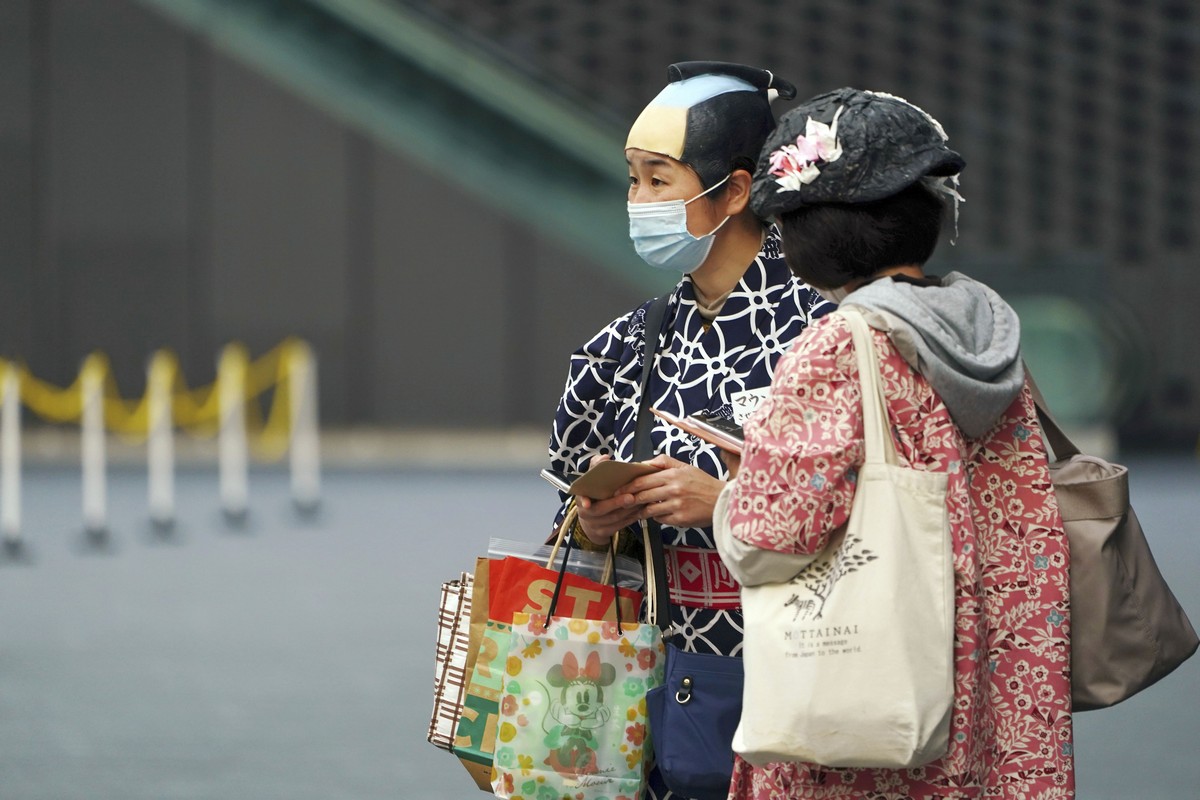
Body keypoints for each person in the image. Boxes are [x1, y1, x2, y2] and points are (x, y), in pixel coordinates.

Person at [713, 88, 1074, 798]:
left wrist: (729, 493)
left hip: (876, 721)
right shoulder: (984, 331)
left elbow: (770, 539)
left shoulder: (840, 344)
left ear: (812, 231)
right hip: (990, 706)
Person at [546, 62, 832, 798]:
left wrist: (727, 506)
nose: (637, 200)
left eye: (658, 180)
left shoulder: (828, 334)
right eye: (633, 178)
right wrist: (596, 525)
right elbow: (565, 527)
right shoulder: (619, 349)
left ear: (736, 191)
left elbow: (877, 521)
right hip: (652, 692)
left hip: (807, 682)